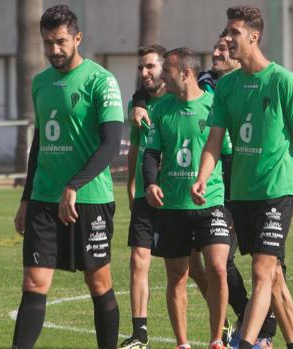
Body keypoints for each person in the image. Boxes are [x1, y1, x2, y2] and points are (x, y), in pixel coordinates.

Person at [191, 6, 293, 349]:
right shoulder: (227, 87)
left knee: (262, 271)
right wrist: (202, 177)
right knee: (272, 279)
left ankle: (245, 344)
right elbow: (214, 139)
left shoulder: (283, 81)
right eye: (226, 31)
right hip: (242, 195)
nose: (227, 38)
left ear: (253, 37)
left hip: (277, 192)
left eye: (234, 32)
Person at [11, 5, 124, 349]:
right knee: (33, 283)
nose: (54, 50)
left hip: (89, 200)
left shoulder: (101, 80)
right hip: (45, 199)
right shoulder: (41, 83)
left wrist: (74, 185)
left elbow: (111, 144)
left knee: (99, 282)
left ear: (77, 38)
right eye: (47, 43)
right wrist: (26, 200)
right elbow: (40, 144)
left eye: (60, 41)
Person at [143, 47, 231, 349]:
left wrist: (230, 204)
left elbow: (228, 156)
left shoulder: (214, 105)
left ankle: (217, 339)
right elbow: (151, 153)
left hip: (211, 202)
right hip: (173, 205)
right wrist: (150, 184)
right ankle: (182, 343)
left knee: (218, 269)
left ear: (186, 73)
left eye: (167, 70)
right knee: (178, 276)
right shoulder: (161, 108)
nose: (162, 76)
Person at [120, 44, 168, 349]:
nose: (144, 72)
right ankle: (140, 334)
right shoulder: (137, 108)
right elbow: (134, 152)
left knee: (194, 268)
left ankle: (230, 320)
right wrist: (131, 189)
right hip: (144, 198)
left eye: (150, 66)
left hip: (176, 196)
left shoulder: (179, 102)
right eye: (141, 68)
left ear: (165, 68)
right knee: (138, 259)